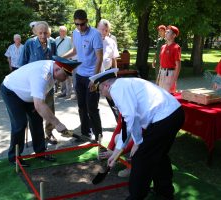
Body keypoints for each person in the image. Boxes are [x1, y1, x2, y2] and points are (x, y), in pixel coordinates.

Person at [90, 68, 185, 200]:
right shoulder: (124, 85)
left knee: (140, 158)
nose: (102, 94)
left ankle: (136, 196)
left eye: (101, 90)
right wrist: (117, 150)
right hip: (174, 113)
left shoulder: (117, 89)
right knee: (159, 154)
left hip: (165, 118)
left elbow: (132, 118)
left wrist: (138, 143)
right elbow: (126, 124)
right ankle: (164, 191)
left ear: (106, 85)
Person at [0, 56, 80, 167]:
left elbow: (42, 94)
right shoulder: (42, 74)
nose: (66, 78)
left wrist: (39, 108)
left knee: (37, 119)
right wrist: (57, 123)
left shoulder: (53, 70)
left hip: (28, 93)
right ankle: (14, 157)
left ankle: (40, 152)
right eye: (65, 75)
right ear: (57, 70)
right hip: (11, 91)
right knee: (20, 123)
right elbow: (39, 104)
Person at [62, 9, 103, 141]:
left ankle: (98, 136)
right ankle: (85, 133)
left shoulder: (95, 34)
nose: (79, 27)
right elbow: (75, 51)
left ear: (86, 21)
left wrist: (94, 79)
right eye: (77, 24)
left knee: (92, 108)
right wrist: (61, 58)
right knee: (81, 107)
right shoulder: (75, 33)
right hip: (79, 75)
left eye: (82, 24)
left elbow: (99, 58)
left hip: (92, 76)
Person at [18, 21, 58, 145]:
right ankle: (37, 135)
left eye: (45, 33)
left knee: (50, 108)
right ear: (35, 32)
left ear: (48, 32)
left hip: (48, 82)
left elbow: (55, 61)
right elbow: (21, 64)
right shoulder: (29, 43)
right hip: (33, 83)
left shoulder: (52, 42)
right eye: (40, 33)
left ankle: (49, 133)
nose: (43, 35)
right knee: (35, 110)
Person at [99, 112, 134, 177]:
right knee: (118, 137)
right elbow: (119, 129)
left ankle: (133, 166)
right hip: (136, 135)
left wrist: (115, 153)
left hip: (147, 137)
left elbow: (139, 138)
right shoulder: (123, 109)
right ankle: (117, 158)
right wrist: (110, 149)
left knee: (136, 144)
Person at [158, 25, 181, 93]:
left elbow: (178, 65)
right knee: (160, 94)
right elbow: (161, 62)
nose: (165, 33)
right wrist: (158, 76)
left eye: (168, 32)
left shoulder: (176, 47)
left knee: (168, 95)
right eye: (166, 32)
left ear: (174, 35)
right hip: (161, 73)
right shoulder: (163, 47)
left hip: (170, 74)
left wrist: (174, 80)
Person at [55, 26, 74, 99]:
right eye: (61, 31)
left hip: (67, 61)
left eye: (64, 31)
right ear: (59, 32)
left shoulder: (69, 39)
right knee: (61, 77)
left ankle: (68, 94)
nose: (62, 32)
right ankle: (63, 92)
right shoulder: (56, 39)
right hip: (59, 61)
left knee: (68, 78)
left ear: (66, 32)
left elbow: (72, 49)